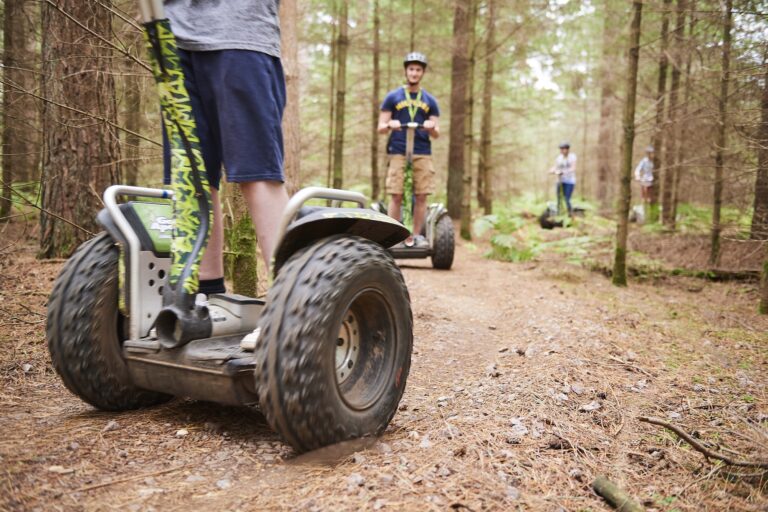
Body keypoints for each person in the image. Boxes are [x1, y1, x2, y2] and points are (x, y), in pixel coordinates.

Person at [162, 0, 289, 295]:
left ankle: (290, 303)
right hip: (172, 35)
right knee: (192, 179)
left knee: (258, 172)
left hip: (241, 32)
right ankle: (206, 297)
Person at [377, 52, 440, 248]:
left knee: (421, 194)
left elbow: (437, 133)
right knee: (395, 194)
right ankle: (392, 235)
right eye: (411, 69)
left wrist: (431, 127)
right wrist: (390, 125)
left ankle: (416, 235)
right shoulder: (393, 97)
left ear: (422, 73)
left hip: (422, 150)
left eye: (418, 70)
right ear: (406, 71)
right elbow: (380, 127)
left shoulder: (430, 100)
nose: (414, 73)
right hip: (398, 149)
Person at [549, 141, 577, 215]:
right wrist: (552, 170)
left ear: (567, 149)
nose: (561, 150)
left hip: (570, 181)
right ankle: (559, 213)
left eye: (563, 149)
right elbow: (555, 166)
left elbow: (573, 168)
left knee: (566, 198)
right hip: (560, 181)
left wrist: (564, 172)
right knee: (559, 198)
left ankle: (570, 214)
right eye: (561, 149)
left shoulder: (572, 156)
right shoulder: (559, 158)